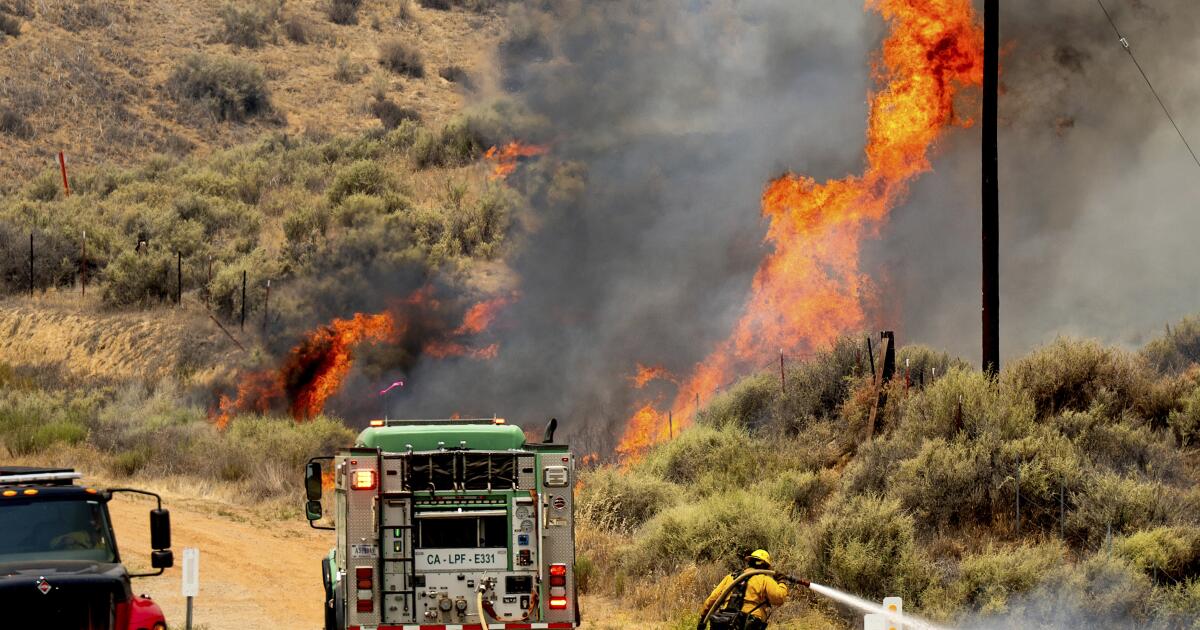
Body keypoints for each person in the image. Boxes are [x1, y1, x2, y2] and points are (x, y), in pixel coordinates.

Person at [698, 549, 794, 630]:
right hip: (749, 625)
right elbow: (779, 598)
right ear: (765, 566)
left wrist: (702, 619)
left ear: (749, 562)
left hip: (725, 623)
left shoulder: (731, 577)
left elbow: (712, 600)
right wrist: (782, 582)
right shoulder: (765, 580)